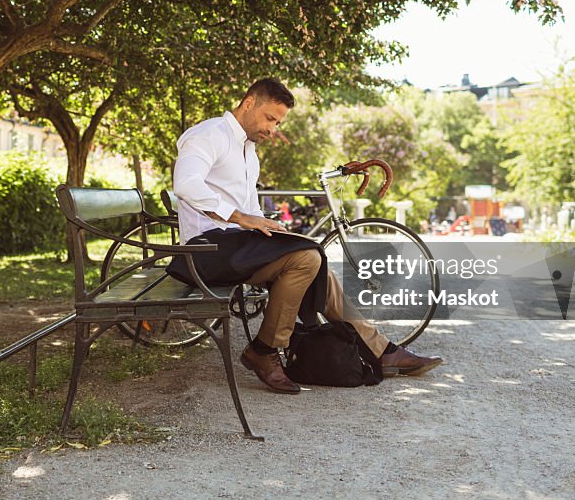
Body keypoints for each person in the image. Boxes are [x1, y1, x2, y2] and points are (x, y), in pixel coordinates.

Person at [170, 78, 443, 395]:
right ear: (248, 104)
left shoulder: (248, 150)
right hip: (208, 250)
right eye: (270, 118)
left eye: (278, 122)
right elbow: (186, 184)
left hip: (237, 246)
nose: (273, 129)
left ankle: (380, 350)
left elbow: (247, 207)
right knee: (307, 257)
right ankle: (264, 351)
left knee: (317, 265)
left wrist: (265, 224)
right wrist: (241, 217)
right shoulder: (208, 135)